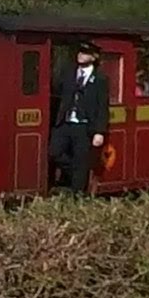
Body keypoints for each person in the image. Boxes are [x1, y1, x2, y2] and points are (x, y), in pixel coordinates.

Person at [49, 42, 110, 194]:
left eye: (85, 53)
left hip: (84, 125)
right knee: (54, 152)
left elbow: (102, 106)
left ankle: (78, 194)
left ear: (94, 57)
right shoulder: (69, 73)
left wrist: (99, 132)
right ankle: (71, 174)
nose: (81, 55)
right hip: (65, 122)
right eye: (80, 52)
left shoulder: (100, 79)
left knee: (81, 159)